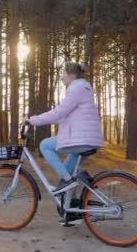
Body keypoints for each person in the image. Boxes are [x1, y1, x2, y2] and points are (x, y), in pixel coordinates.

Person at [27, 62, 104, 194]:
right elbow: (63, 116)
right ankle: (71, 205)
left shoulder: (76, 89)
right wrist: (38, 120)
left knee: (45, 145)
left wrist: (34, 120)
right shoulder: (83, 88)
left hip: (82, 139)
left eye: (63, 74)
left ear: (70, 75)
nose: (62, 77)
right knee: (65, 174)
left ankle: (69, 181)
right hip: (87, 139)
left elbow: (59, 112)